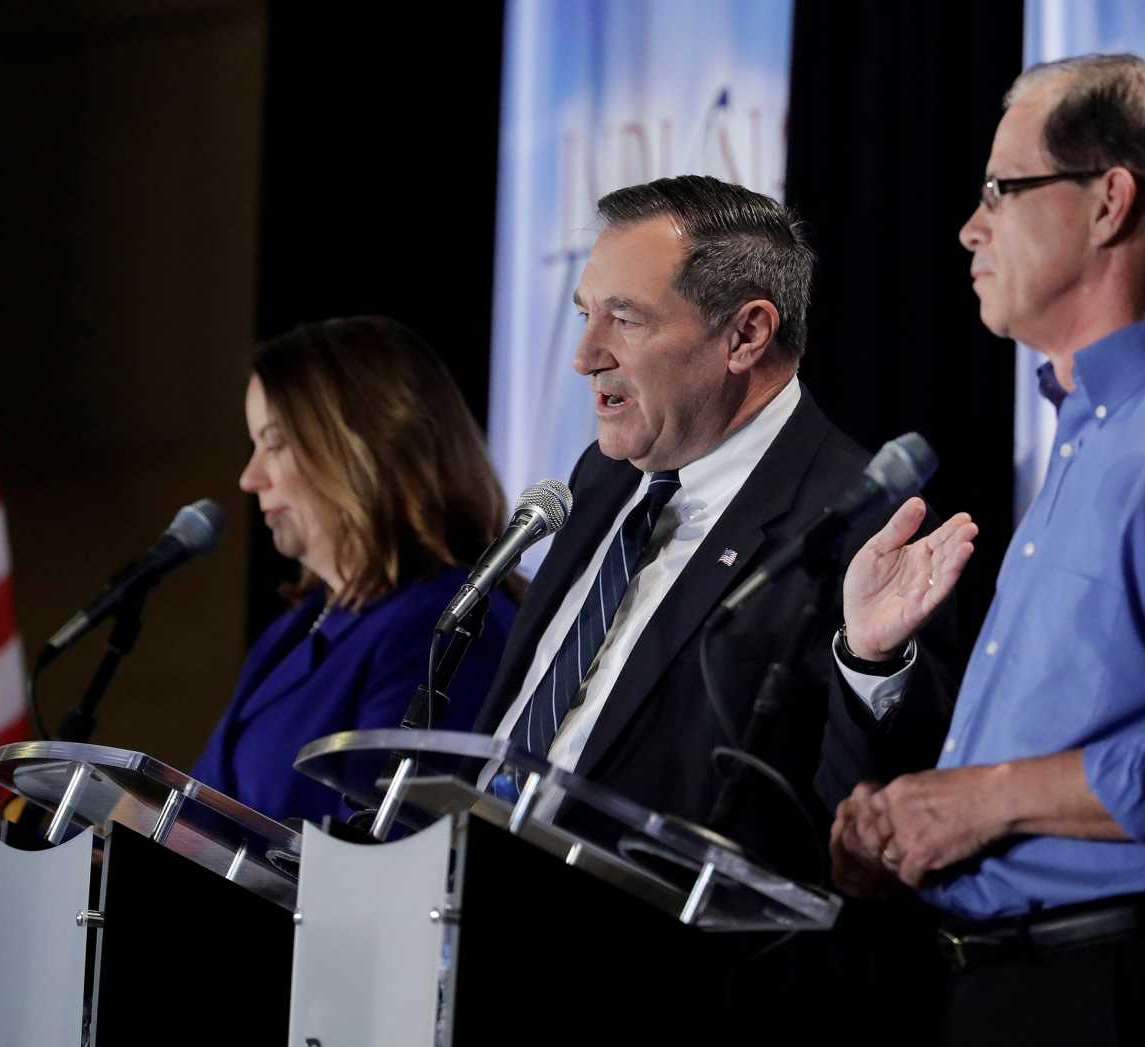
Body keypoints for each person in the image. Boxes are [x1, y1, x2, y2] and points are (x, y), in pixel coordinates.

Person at [829, 54, 1145, 1044]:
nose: (970, 227)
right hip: (1014, 989)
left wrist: (984, 802)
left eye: (1000, 190)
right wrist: (911, 822)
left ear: (1109, 203)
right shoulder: (1092, 433)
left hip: (1134, 998)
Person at [469, 175, 972, 881]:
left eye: (626, 318)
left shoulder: (859, 524)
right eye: (586, 314)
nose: (585, 356)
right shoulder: (602, 477)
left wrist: (872, 666)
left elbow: (867, 828)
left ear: (746, 333)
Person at [192, 316, 517, 825]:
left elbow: (375, 843)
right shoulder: (295, 628)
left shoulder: (451, 626)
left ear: (360, 445)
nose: (249, 478)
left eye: (274, 443)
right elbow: (203, 816)